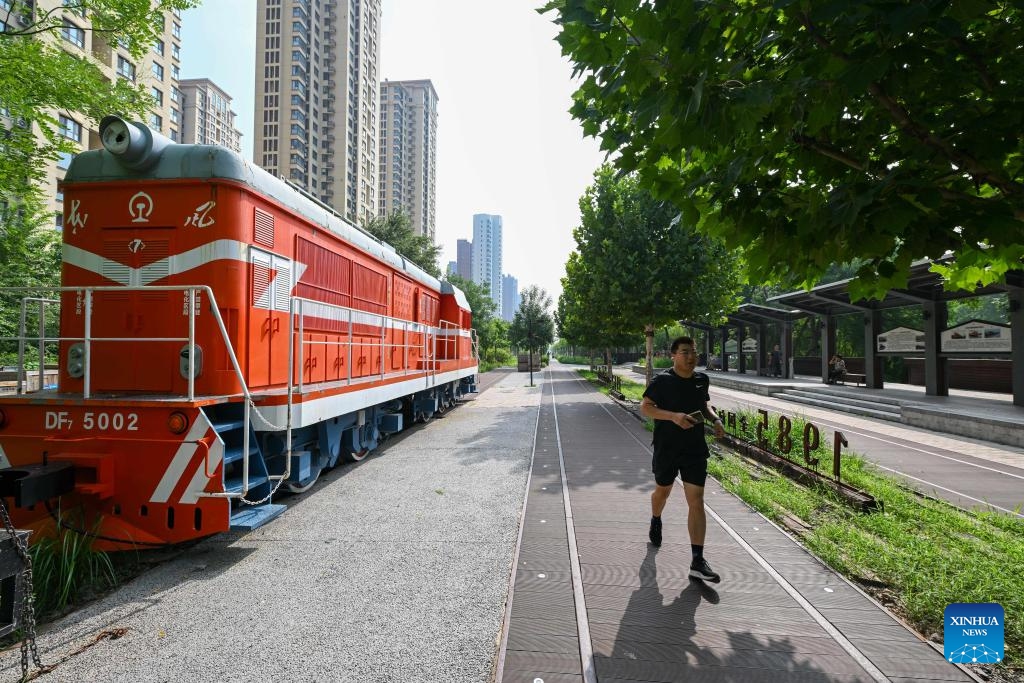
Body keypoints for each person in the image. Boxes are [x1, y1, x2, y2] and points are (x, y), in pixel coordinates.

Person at [640, 336, 726, 583]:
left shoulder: (702, 380)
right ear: (673, 355)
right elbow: (645, 407)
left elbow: (705, 405)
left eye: (694, 352)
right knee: (662, 493)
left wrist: (716, 419)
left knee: (696, 500)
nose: (691, 357)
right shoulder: (662, 381)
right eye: (685, 352)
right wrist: (673, 416)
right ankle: (656, 519)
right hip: (667, 448)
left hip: (694, 449)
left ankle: (697, 560)